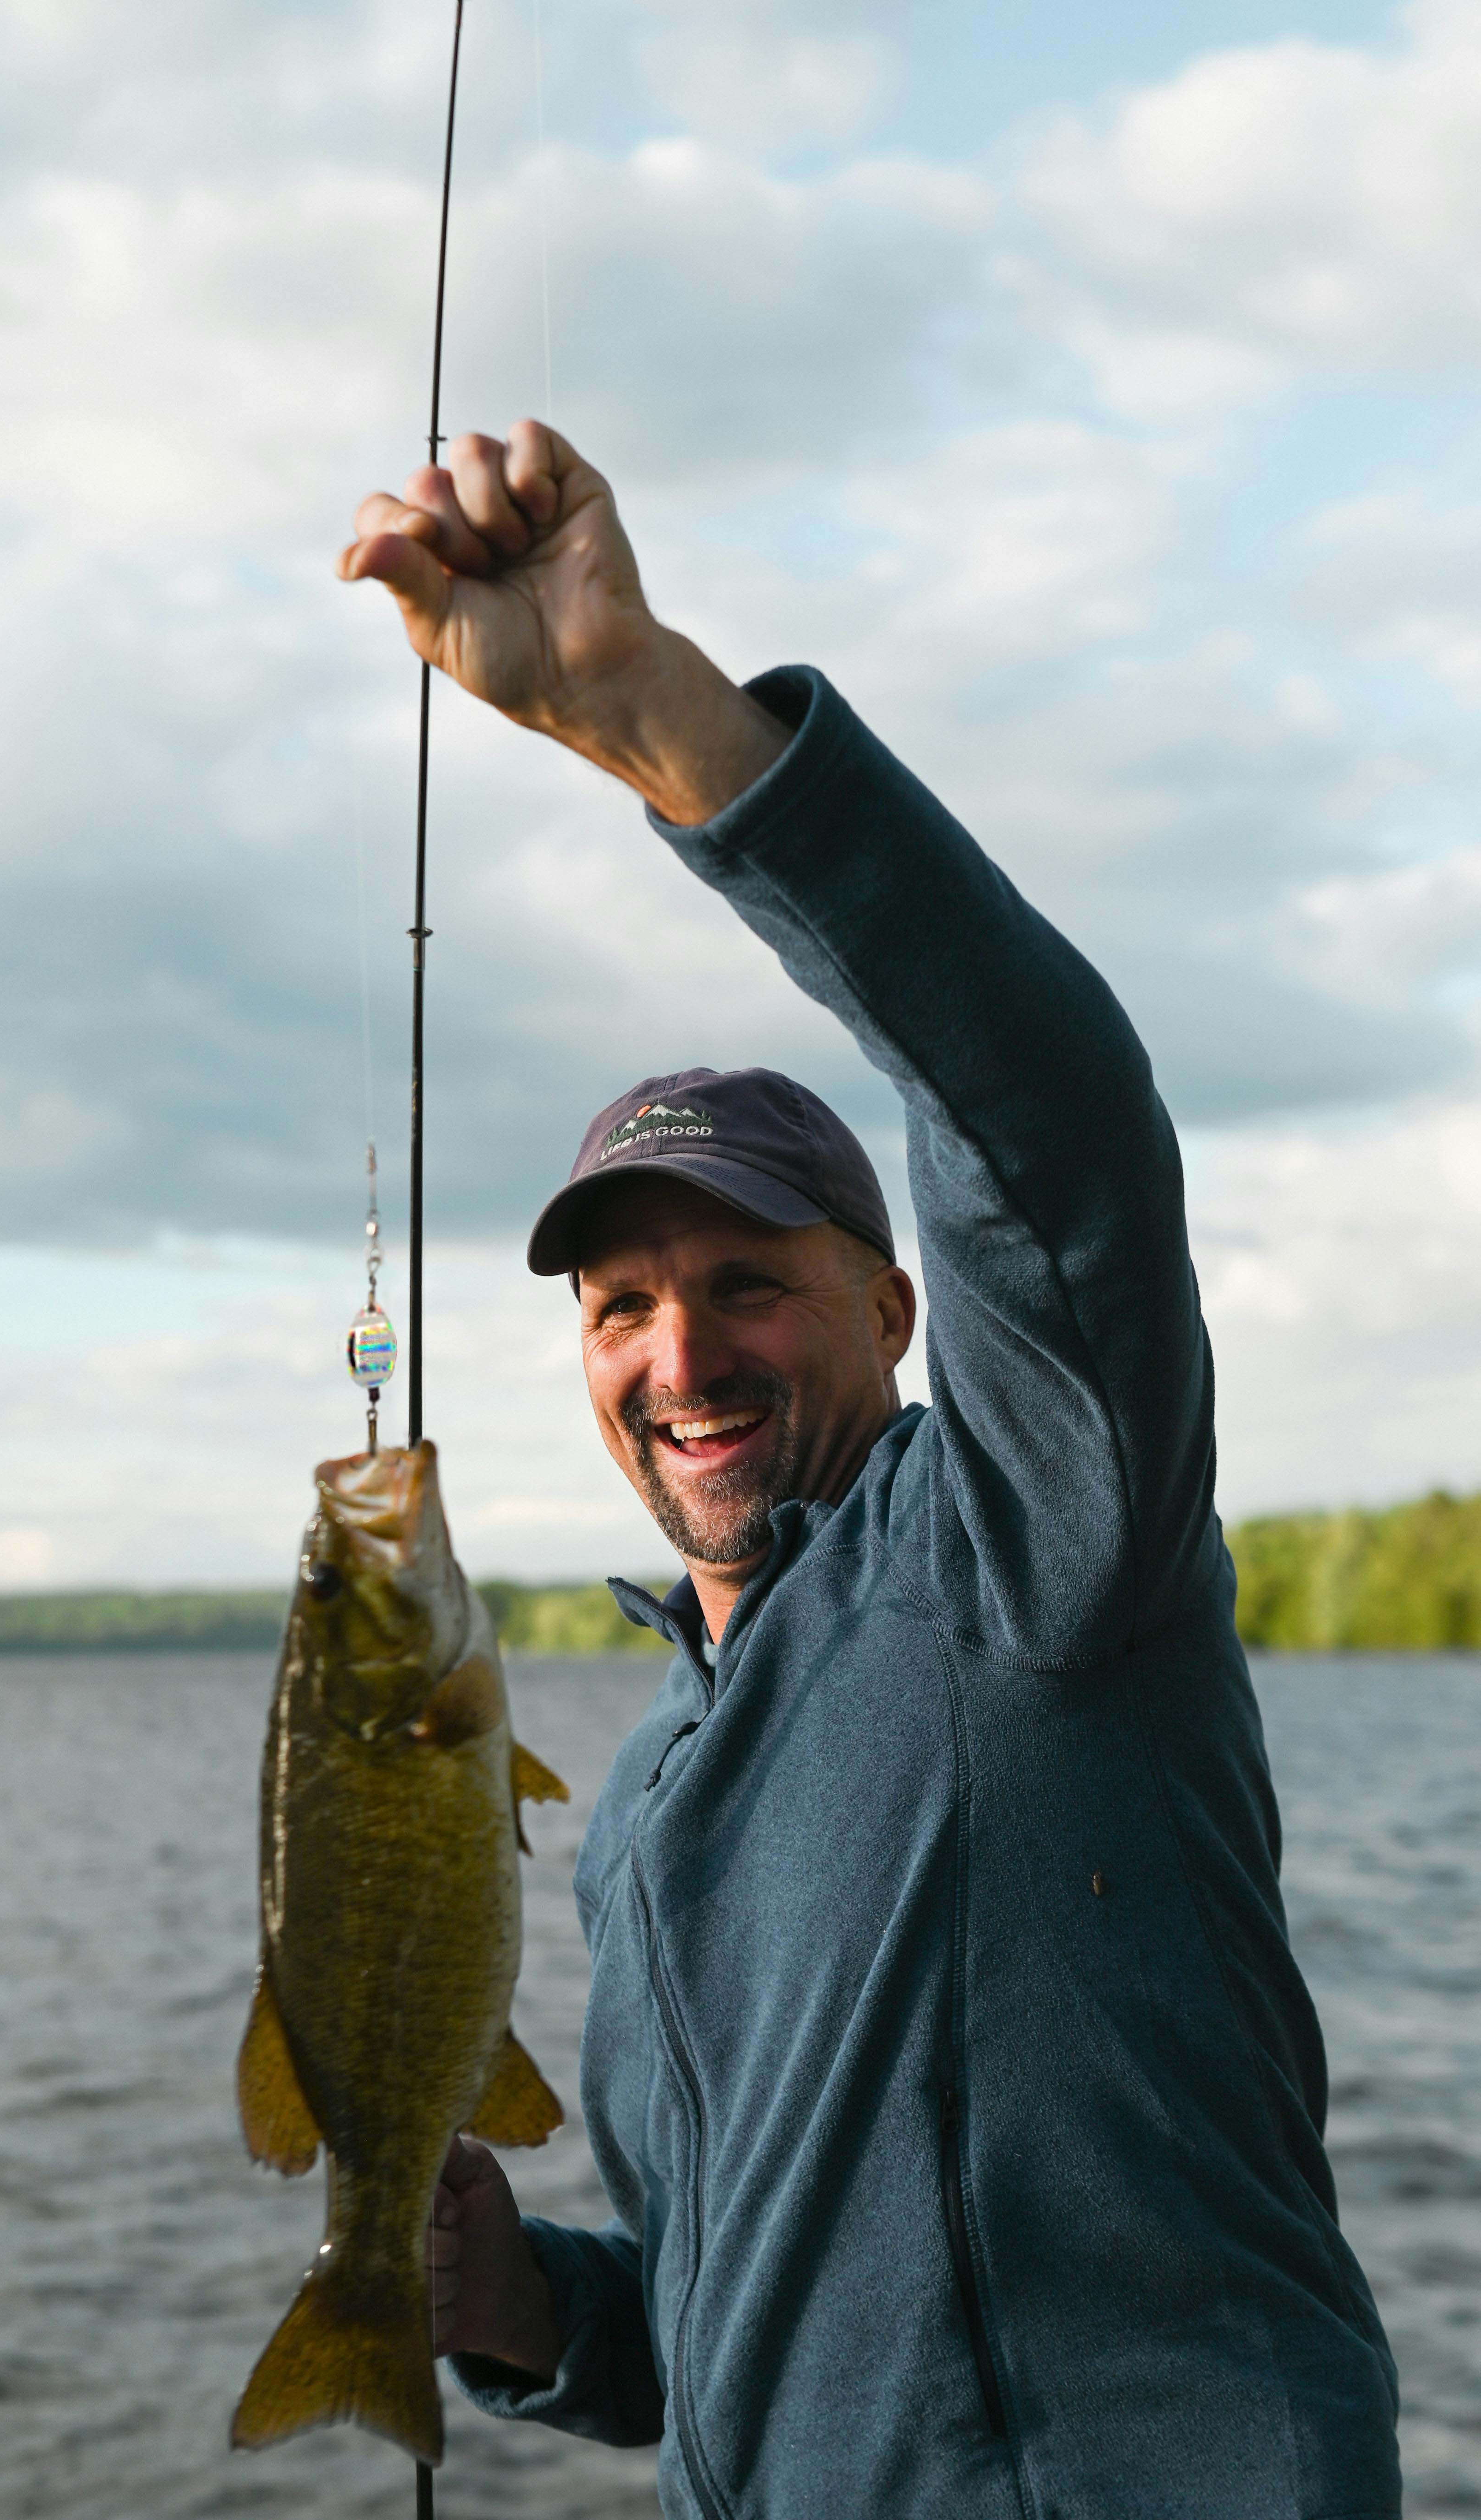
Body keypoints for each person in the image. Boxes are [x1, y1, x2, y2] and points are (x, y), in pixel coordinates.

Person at [339, 424, 1401, 2517]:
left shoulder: (1038, 1545)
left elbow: (1056, 1126)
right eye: (619, 1308)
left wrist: (659, 716)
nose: (680, 1354)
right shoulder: (638, 1801)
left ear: (898, 1312)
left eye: (750, 1281)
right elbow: (729, 2320)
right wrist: (524, 2308)